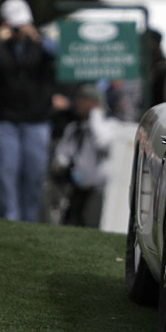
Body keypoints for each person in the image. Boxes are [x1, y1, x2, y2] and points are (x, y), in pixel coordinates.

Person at [0, 0, 56, 222]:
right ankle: (11, 219)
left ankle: (29, 220)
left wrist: (37, 38)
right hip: (6, 121)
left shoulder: (41, 43)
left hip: (36, 120)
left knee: (34, 176)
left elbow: (58, 55)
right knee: (5, 175)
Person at [51, 83, 118, 228]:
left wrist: (95, 113)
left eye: (81, 101)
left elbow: (101, 142)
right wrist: (62, 164)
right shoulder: (75, 128)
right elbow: (62, 153)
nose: (77, 104)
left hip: (99, 189)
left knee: (91, 223)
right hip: (76, 187)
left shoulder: (110, 126)